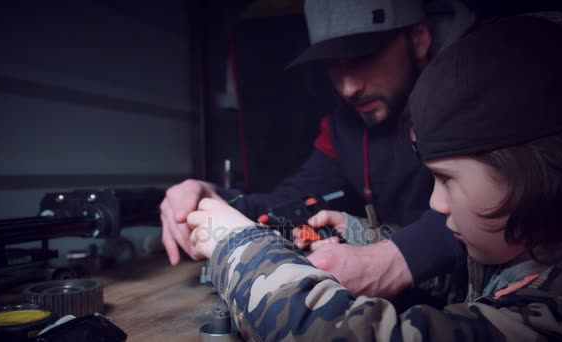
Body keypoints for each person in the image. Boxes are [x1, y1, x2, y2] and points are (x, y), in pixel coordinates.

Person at [186, 16, 562, 340]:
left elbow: (338, 335)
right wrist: (366, 236)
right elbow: (472, 284)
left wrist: (235, 246)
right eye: (334, 66)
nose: (347, 85)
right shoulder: (529, 259)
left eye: (447, 179)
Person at [161, 0, 474, 298]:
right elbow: (287, 201)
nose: (348, 87)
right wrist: (213, 198)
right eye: (333, 65)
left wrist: (395, 259)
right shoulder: (344, 126)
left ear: (419, 38)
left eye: (364, 57)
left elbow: (501, 206)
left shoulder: (480, 93)